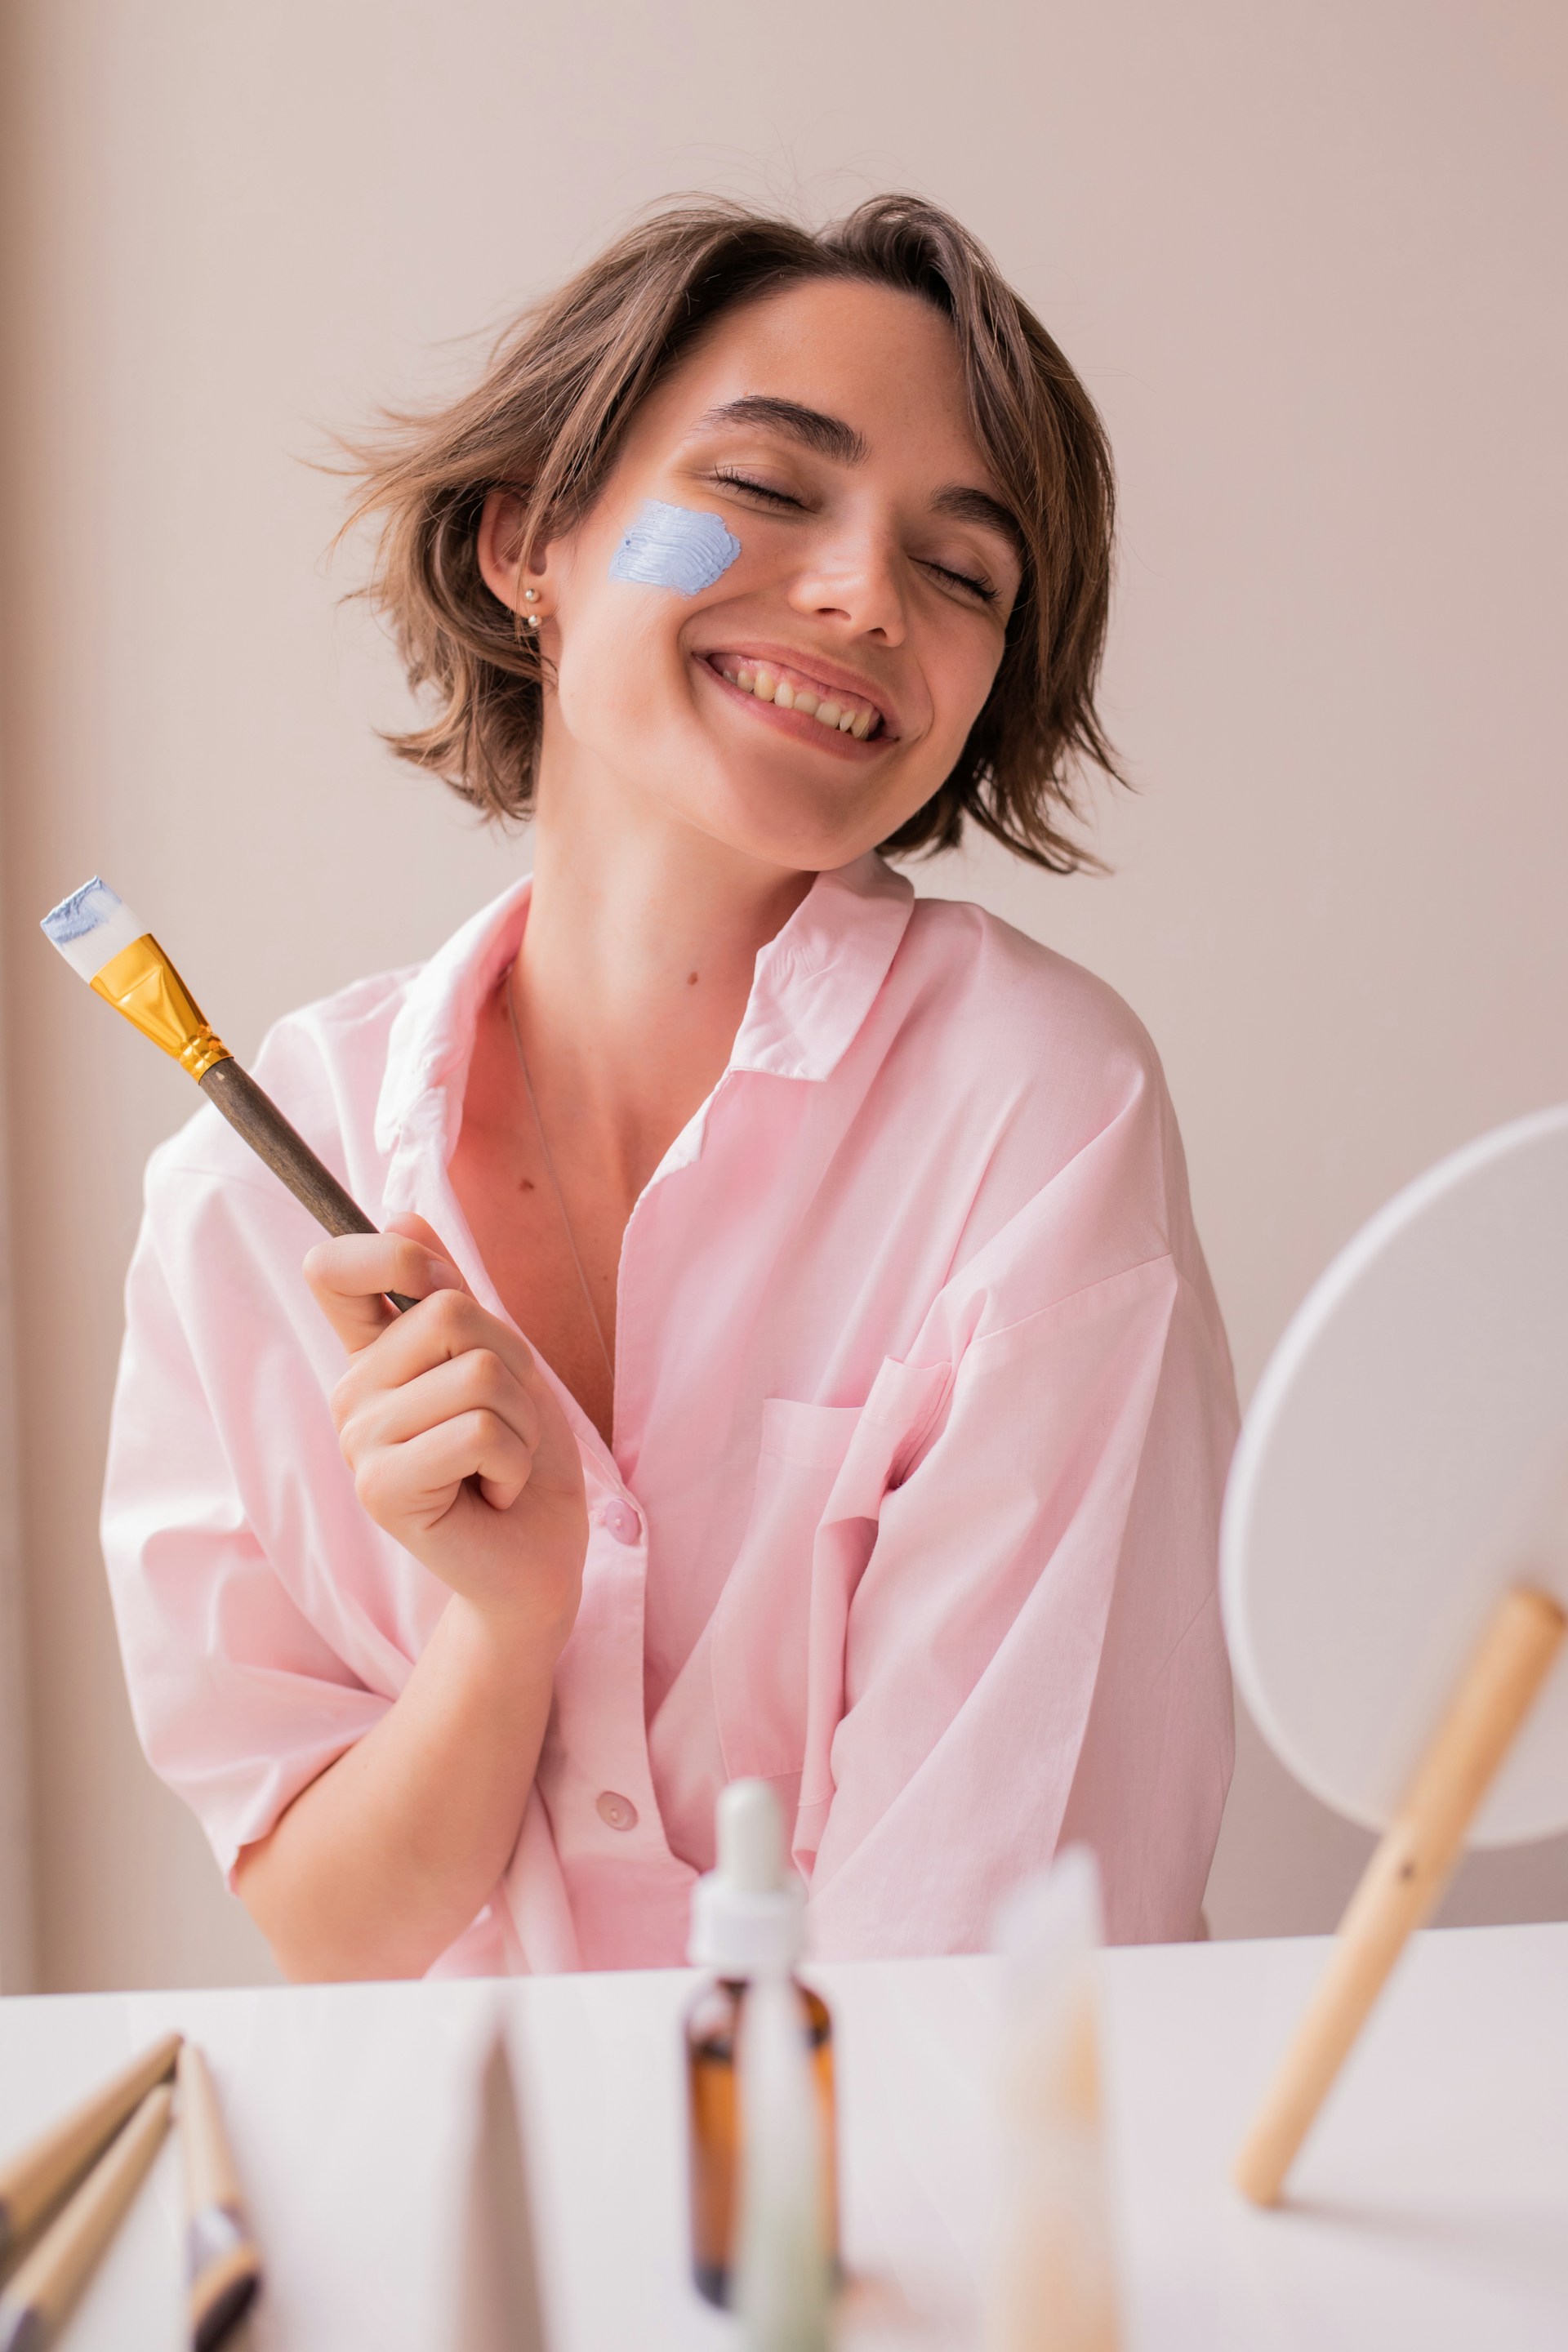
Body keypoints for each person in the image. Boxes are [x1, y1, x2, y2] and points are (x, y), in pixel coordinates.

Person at [102, 196, 1237, 1981]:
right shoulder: (250, 1197)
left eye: (963, 572)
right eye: (774, 489)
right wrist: (501, 1627)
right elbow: (332, 1926)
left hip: (892, 2233)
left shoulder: (1034, 1115)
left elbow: (982, 1952)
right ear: (529, 544)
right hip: (466, 2227)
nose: (868, 592)